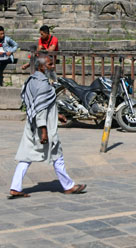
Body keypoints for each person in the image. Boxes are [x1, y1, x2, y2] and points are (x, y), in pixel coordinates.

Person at [9, 56, 86, 198]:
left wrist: (57, 115)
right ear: (42, 67)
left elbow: (38, 104)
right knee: (58, 156)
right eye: (50, 65)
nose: (53, 67)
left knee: (26, 157)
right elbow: (40, 110)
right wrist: (43, 131)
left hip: (31, 125)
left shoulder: (31, 80)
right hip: (42, 127)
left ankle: (15, 187)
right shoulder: (43, 85)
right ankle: (68, 186)